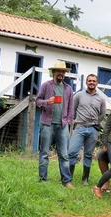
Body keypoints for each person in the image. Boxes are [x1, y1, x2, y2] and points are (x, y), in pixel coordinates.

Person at [36, 60, 74, 188]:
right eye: (59, 71)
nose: (61, 73)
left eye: (63, 71)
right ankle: (43, 179)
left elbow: (71, 107)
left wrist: (68, 121)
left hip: (62, 125)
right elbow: (37, 101)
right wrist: (48, 101)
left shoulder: (68, 89)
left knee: (64, 154)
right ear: (53, 72)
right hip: (47, 124)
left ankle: (66, 181)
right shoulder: (46, 86)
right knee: (44, 153)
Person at [68, 74, 106, 185]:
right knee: (72, 152)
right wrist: (77, 121)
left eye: (94, 81)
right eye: (89, 81)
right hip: (79, 127)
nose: (92, 82)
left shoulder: (101, 99)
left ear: (97, 83)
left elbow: (102, 114)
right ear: (86, 82)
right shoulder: (79, 96)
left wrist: (94, 122)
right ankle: (68, 177)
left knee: (88, 154)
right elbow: (73, 110)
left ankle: (85, 179)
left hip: (93, 129)